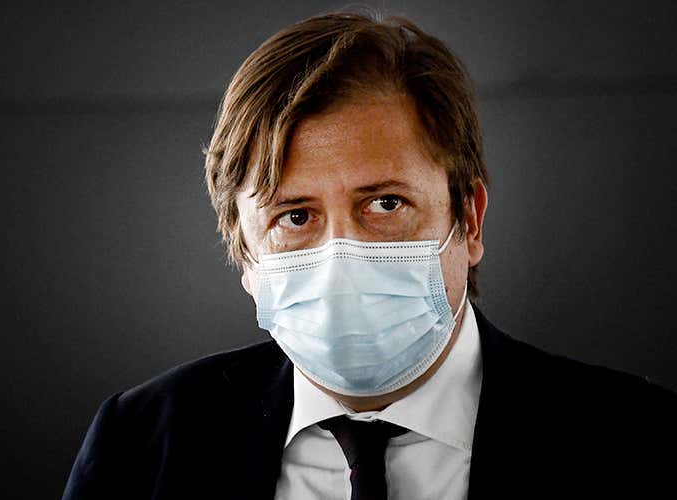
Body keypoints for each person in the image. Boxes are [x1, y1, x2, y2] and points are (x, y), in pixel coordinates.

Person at [62, 11, 677, 500]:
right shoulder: (141, 444)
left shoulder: (638, 442)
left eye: (385, 204)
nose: (342, 257)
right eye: (294, 216)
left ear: (468, 219)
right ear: (244, 253)